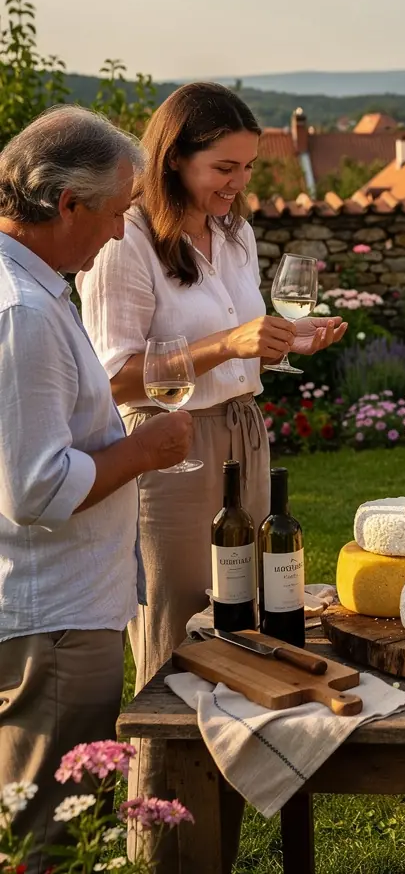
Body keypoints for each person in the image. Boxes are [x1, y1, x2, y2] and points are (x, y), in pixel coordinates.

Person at [76, 82, 345, 867]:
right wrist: (228, 345)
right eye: (223, 167)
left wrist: (283, 340)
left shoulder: (233, 231)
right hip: (166, 448)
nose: (237, 185)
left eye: (246, 169)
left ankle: (223, 814)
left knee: (242, 630)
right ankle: (165, 848)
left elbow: (238, 338)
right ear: (173, 158)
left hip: (240, 435)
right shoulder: (124, 239)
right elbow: (114, 376)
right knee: (172, 638)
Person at [0, 107, 193, 871]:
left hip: (57, 603)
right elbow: (36, 489)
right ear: (66, 204)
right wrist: (144, 449)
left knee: (51, 815)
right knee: (48, 834)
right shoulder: (24, 315)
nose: (120, 233)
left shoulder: (35, 287)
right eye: (115, 213)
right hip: (53, 612)